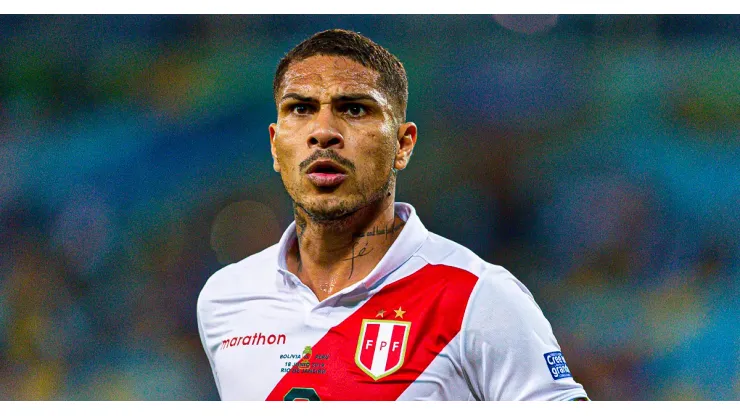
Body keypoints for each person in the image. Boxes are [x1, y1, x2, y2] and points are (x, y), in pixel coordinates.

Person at [197, 28, 588, 401]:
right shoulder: (225, 298)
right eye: (300, 108)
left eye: (354, 108)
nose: (323, 132)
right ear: (274, 145)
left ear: (403, 145)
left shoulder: (478, 297)